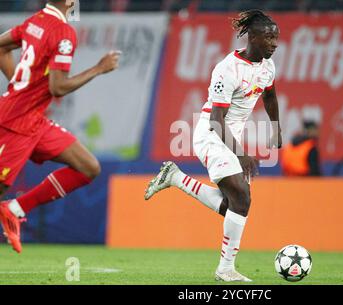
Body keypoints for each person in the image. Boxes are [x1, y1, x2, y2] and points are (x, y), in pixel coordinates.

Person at [144, 10, 281, 282]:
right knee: (242, 197)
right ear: (251, 37)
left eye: (276, 37)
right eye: (268, 37)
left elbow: (270, 96)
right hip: (212, 134)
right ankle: (225, 270)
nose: (274, 43)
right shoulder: (227, 69)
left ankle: (176, 178)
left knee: (236, 205)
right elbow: (217, 120)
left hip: (233, 137)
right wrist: (241, 155)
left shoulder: (268, 66)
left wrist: (275, 127)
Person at [0, 0, 121, 253]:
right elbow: (58, 87)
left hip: (34, 120)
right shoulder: (63, 32)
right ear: (69, 2)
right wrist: (99, 69)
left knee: (88, 167)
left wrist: (21, 87)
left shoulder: (35, 21)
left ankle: (15, 208)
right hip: (16, 124)